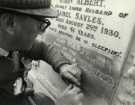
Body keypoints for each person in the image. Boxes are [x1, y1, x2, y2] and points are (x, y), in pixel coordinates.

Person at [0, 0, 83, 105]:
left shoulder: (11, 43)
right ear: (9, 23)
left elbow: (43, 49)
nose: (41, 32)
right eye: (40, 25)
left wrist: (62, 65)